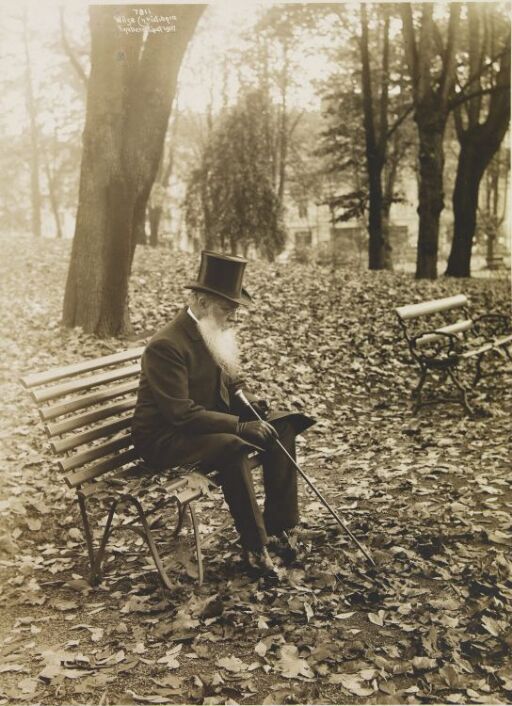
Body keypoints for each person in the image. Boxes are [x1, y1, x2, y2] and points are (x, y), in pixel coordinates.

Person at [131, 250, 314, 578]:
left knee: (283, 425)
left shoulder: (209, 329)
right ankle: (256, 547)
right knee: (233, 446)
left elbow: (233, 381)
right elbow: (180, 413)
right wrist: (240, 426)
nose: (232, 318)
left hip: (202, 427)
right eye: (226, 309)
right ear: (201, 302)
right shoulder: (166, 345)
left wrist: (253, 408)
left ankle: (278, 529)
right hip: (165, 439)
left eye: (234, 310)